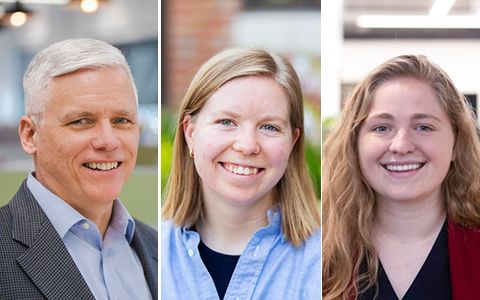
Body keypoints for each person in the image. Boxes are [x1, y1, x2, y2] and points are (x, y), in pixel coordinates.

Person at [0, 38, 157, 299]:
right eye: (81, 121)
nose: (108, 141)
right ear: (30, 135)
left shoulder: (155, 246)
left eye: (122, 120)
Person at [161, 48, 321, 299]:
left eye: (269, 127)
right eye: (226, 122)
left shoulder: (326, 260)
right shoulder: (148, 256)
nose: (247, 145)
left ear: (292, 143)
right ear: (190, 133)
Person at [322, 54, 480, 300]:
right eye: (382, 128)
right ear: (355, 144)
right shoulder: (318, 251)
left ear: (456, 143)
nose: (401, 145)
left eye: (423, 127)